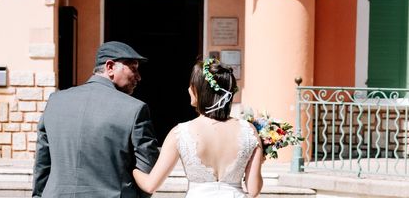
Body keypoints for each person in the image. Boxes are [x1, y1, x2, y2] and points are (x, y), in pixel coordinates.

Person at [32, 41, 159, 197]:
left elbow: (42, 162)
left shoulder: (55, 101)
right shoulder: (135, 109)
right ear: (110, 67)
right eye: (133, 69)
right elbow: (148, 165)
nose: (138, 77)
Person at [132, 58, 264, 198]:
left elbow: (150, 185)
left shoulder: (180, 132)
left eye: (191, 85)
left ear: (199, 91)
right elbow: (254, 190)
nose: (188, 89)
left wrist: (131, 167)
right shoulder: (248, 131)